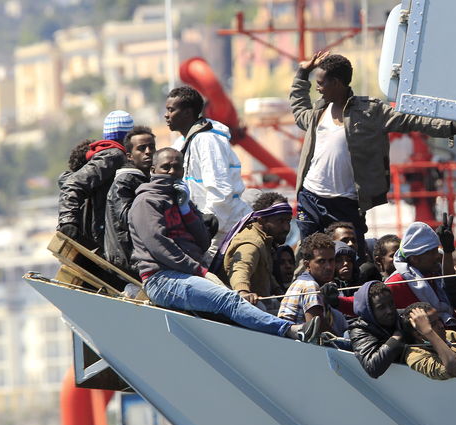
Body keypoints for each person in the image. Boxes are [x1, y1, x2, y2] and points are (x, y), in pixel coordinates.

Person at [290, 51, 456, 256]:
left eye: (321, 83)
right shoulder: (319, 111)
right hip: (310, 197)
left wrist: (455, 126)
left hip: (346, 203)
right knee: (307, 256)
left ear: (337, 83)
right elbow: (299, 111)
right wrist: (301, 73)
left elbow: (412, 120)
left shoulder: (370, 111)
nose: (317, 87)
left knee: (354, 258)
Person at [128, 148, 318, 342]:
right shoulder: (146, 201)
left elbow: (203, 241)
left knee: (229, 307)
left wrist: (186, 210)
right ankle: (290, 330)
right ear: (153, 170)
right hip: (162, 278)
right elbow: (159, 246)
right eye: (165, 167)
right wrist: (201, 271)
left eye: (176, 168)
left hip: (187, 275)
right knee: (228, 299)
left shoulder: (180, 199)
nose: (171, 172)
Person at [165, 86, 251, 255]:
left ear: (187, 113)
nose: (166, 115)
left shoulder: (207, 141)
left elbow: (220, 192)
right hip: (205, 228)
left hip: (223, 230)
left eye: (171, 110)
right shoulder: (182, 143)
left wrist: (205, 230)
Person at [58, 110, 134, 251]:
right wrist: (68, 222)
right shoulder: (114, 156)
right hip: (105, 240)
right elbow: (73, 183)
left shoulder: (105, 155)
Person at [217, 192, 293, 313]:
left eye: (288, 221)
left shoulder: (265, 239)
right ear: (261, 220)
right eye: (281, 221)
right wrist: (243, 291)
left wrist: (280, 292)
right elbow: (240, 267)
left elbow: (265, 271)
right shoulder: (252, 242)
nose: (286, 228)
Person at [104, 126, 156, 276]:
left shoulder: (147, 179)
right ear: (130, 156)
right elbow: (128, 219)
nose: (148, 152)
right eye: (141, 148)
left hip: (142, 254)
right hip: (129, 259)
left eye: (151, 147)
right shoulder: (125, 182)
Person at [385, 222, 456, 327]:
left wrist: (448, 250)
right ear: (415, 259)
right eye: (432, 252)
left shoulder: (436, 275)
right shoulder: (396, 283)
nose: (437, 256)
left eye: (436, 250)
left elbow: (455, 286)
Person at [278, 232, 347, 335]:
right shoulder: (310, 285)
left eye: (331, 260)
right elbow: (317, 329)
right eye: (321, 261)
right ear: (307, 264)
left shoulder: (308, 283)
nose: (328, 267)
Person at [401, 302, 456, 382]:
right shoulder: (416, 357)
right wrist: (429, 333)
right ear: (419, 334)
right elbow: (455, 369)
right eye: (432, 324)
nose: (441, 326)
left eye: (439, 320)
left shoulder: (450, 335)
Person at [348, 281, 407, 378]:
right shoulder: (359, 330)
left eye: (391, 303)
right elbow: (372, 367)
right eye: (381, 307)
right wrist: (397, 337)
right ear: (369, 311)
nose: (389, 311)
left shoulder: (402, 317)